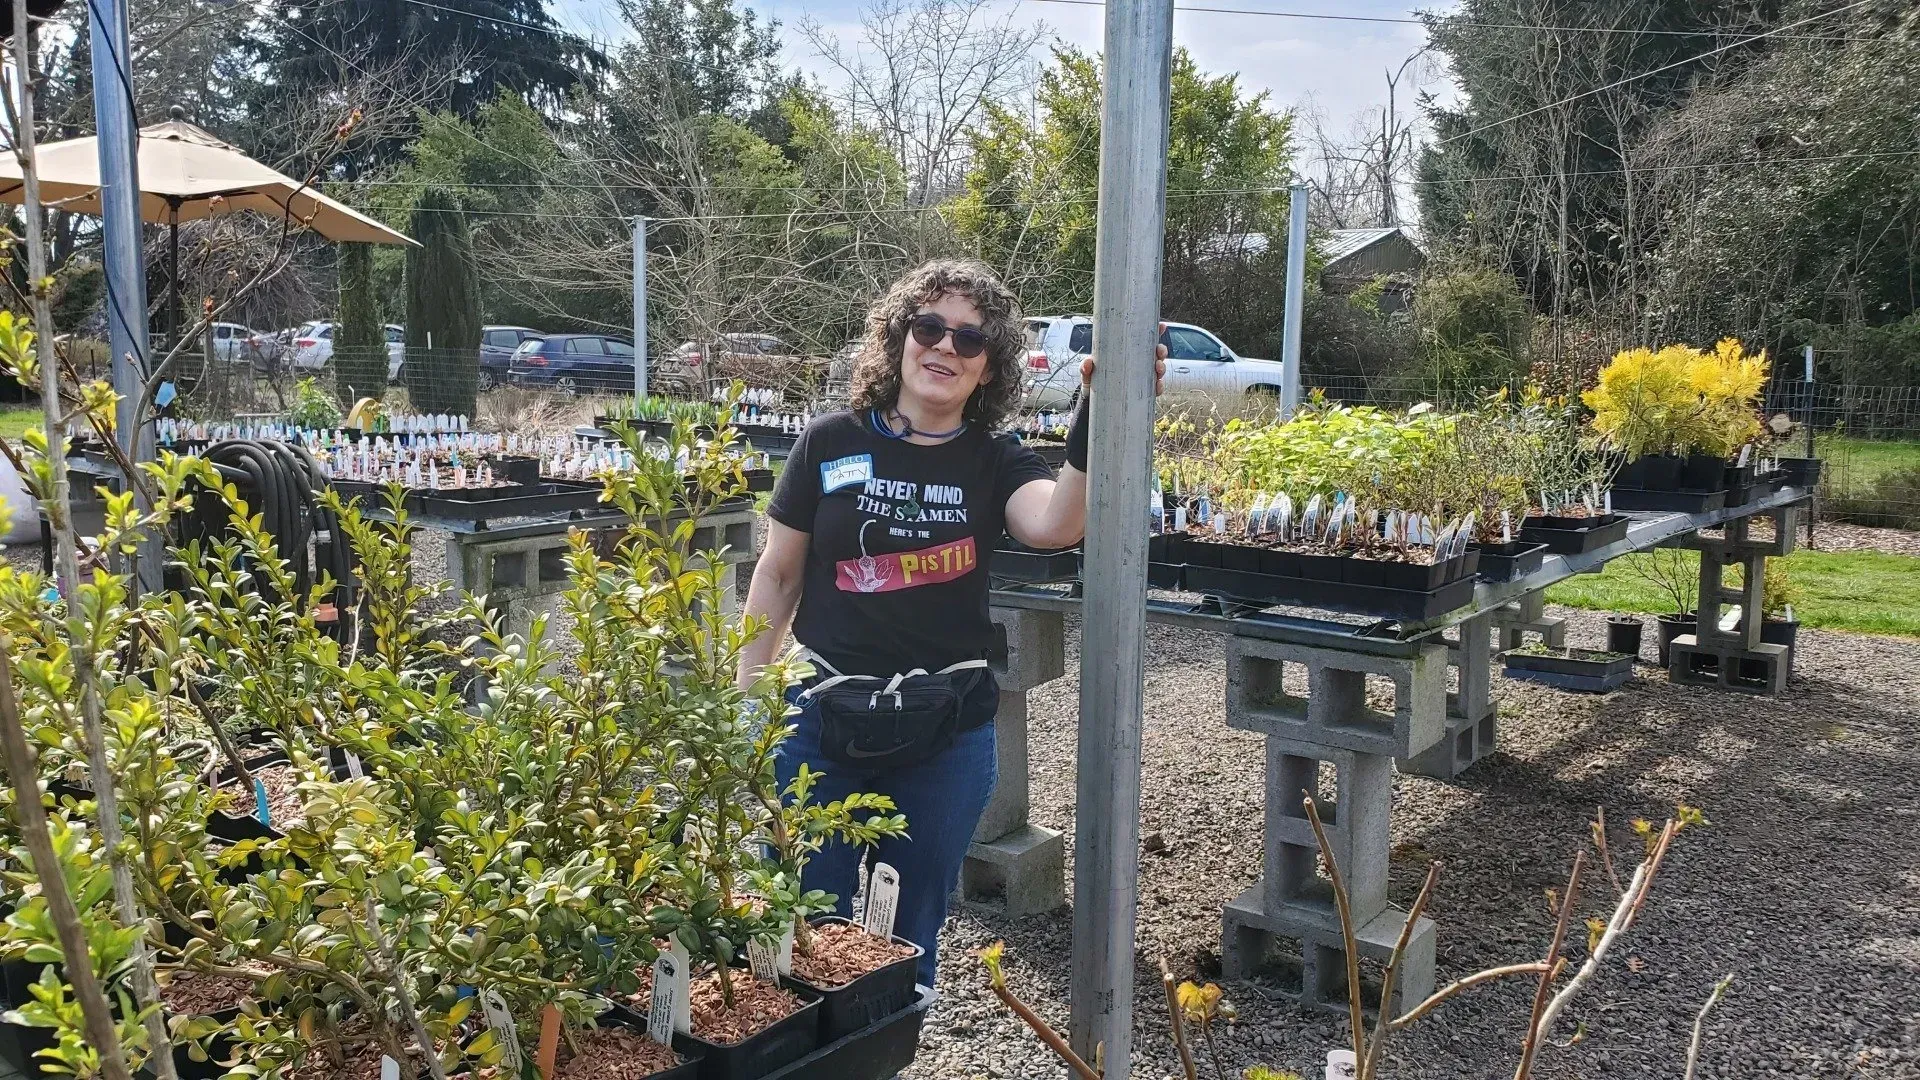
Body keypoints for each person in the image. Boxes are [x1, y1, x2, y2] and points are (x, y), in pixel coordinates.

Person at [739, 259, 1164, 987]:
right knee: (801, 922)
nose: (944, 347)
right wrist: (747, 701)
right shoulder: (829, 442)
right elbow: (778, 574)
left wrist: (1100, 410)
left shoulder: (995, 459)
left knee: (909, 929)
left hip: (944, 733)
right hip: (820, 721)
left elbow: (1055, 524)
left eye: (970, 340)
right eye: (929, 327)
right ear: (899, 338)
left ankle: (885, 1052)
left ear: (989, 369)